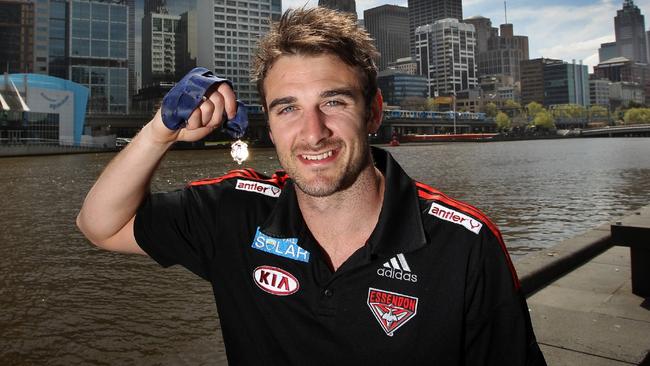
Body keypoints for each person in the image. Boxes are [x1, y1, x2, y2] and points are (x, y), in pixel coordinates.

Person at [77, 7, 546, 365]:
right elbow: (100, 225)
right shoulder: (236, 213)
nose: (313, 131)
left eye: (334, 101)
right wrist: (163, 129)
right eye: (287, 108)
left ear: (374, 112)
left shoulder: (464, 243)